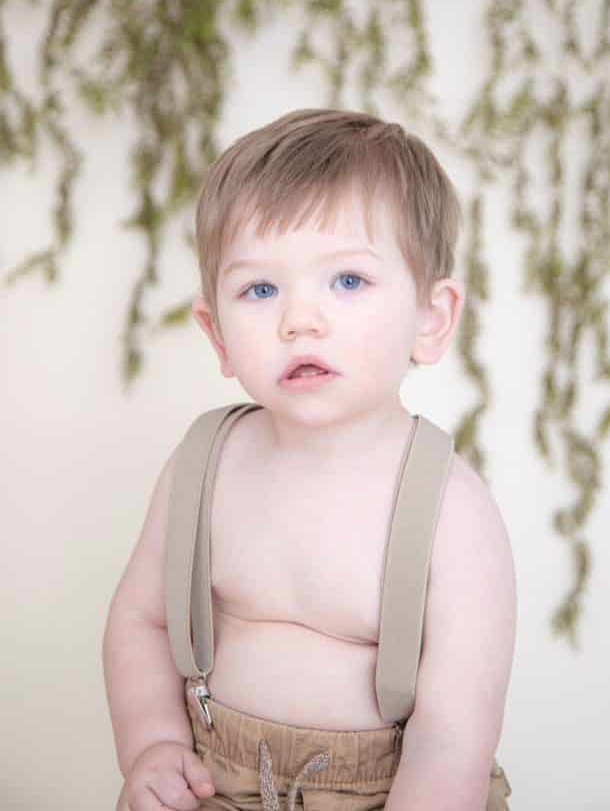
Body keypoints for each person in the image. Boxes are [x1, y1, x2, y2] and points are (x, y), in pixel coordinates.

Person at [103, 108, 516, 811]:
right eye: (259, 289)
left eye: (347, 281)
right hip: (213, 781)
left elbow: (451, 736)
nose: (299, 318)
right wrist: (151, 744)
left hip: (393, 793)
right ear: (218, 334)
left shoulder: (450, 509)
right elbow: (140, 622)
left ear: (430, 317)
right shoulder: (204, 465)